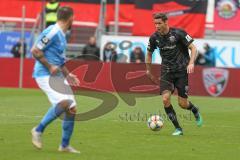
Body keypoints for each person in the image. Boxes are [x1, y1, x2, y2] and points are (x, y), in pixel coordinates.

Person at [31, 6, 80, 153]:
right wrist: (50, 66)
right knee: (63, 103)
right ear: (70, 18)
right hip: (44, 74)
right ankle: (38, 130)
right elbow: (35, 50)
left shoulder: (62, 35)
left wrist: (68, 75)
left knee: (72, 109)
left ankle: (64, 145)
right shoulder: (52, 32)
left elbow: (59, 60)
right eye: (74, 17)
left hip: (57, 76)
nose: (74, 20)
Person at [146, 13, 203, 136]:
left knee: (183, 104)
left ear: (166, 22)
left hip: (182, 71)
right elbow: (149, 53)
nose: (157, 26)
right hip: (166, 71)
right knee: (165, 99)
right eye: (155, 24)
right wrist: (148, 70)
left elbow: (193, 48)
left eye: (159, 23)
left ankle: (194, 110)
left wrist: (191, 63)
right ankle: (178, 129)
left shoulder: (179, 33)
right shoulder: (154, 37)